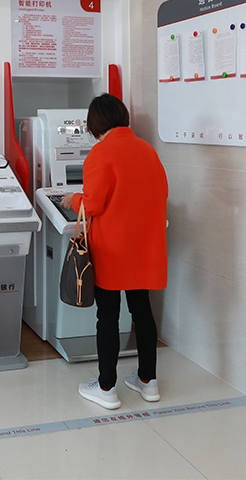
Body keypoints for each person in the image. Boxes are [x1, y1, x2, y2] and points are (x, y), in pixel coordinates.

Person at [61, 93, 168, 410]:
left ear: (94, 124)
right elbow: (161, 192)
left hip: (112, 249)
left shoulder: (101, 152)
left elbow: (93, 203)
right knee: (142, 311)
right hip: (145, 247)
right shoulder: (147, 150)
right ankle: (148, 381)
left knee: (107, 315)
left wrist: (72, 199)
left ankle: (106, 387)